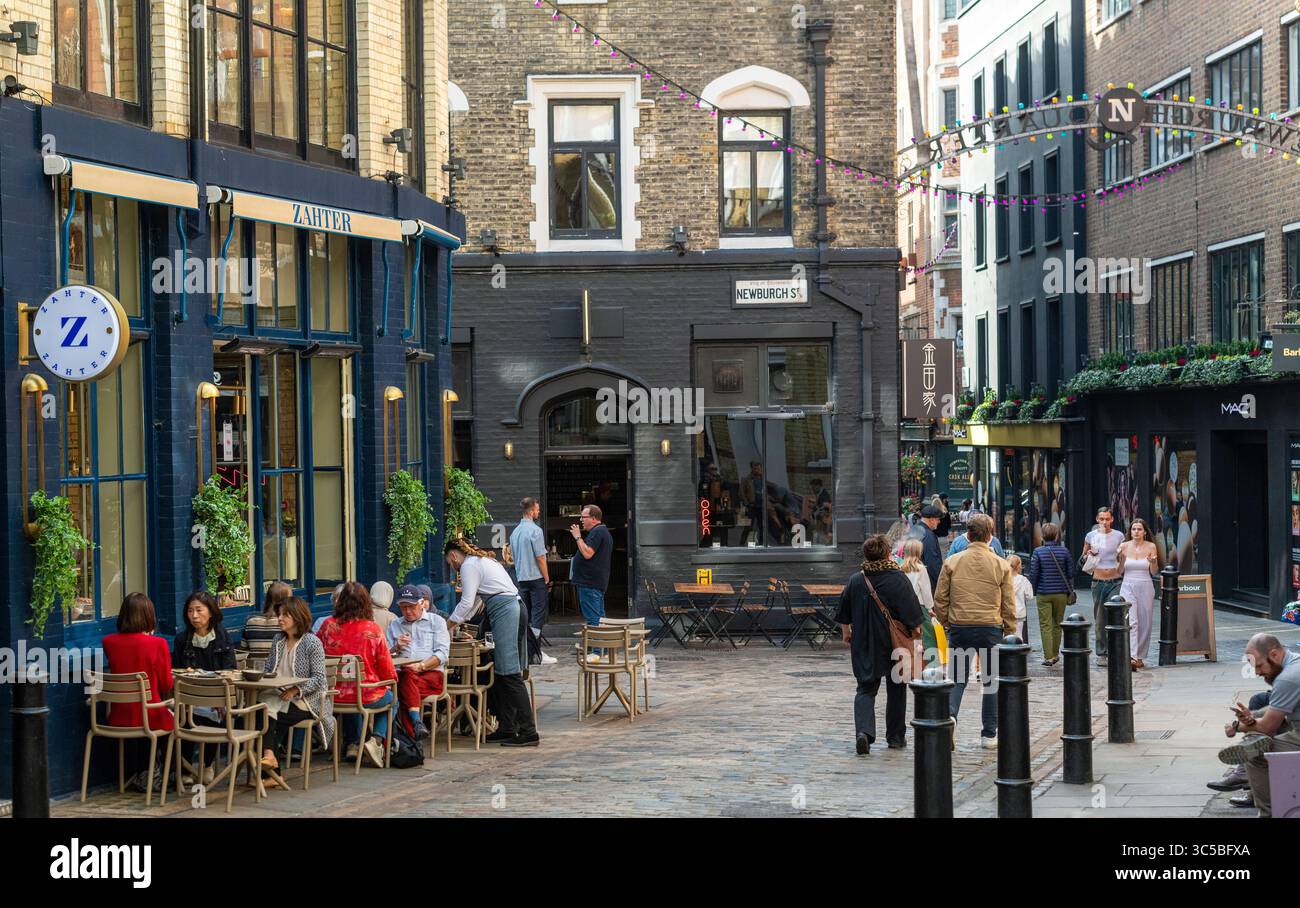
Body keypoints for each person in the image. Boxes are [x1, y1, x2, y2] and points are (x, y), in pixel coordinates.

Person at [445, 538, 539, 746]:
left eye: (449, 563)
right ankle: (507, 727)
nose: (451, 568)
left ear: (453, 556)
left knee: (509, 671)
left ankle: (528, 731)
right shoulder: (480, 562)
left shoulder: (469, 565)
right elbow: (476, 601)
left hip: (505, 610)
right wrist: (461, 620)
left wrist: (448, 625)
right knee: (500, 671)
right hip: (510, 607)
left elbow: (467, 601)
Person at [934, 514, 1016, 749]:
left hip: (961, 626)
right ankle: (989, 734)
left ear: (968, 534)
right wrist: (1009, 630)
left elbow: (941, 598)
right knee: (990, 681)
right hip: (991, 627)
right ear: (990, 535)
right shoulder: (1001, 564)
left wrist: (946, 621)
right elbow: (1008, 603)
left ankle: (951, 716)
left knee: (958, 679)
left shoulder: (953, 562)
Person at [836, 535, 924, 754]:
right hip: (895, 642)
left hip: (865, 641)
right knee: (896, 689)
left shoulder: (857, 580)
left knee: (865, 688)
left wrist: (847, 633)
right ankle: (895, 737)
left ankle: (864, 733)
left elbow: (843, 613)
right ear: (887, 553)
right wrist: (916, 631)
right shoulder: (898, 578)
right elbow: (913, 612)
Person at [317, 582, 398, 768]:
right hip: (366, 694)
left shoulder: (327, 626)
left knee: (350, 690)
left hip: (332, 695)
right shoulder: (372, 629)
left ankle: (353, 743)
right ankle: (376, 741)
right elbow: (387, 671)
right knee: (392, 699)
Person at [1218, 634, 1300, 817]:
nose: (1257, 673)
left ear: (1275, 654)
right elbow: (1277, 706)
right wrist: (1252, 717)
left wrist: (1237, 727)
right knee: (1257, 737)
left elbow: (1268, 726)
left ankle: (1270, 813)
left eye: (1260, 666)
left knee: (1253, 753)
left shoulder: (1288, 677)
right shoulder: (1295, 663)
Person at [101, 593, 174, 791]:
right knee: (176, 719)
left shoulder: (108, 642)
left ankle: (142, 773)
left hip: (118, 715)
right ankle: (158, 774)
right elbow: (167, 684)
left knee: (149, 716)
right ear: (149, 616)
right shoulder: (158, 644)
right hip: (150, 714)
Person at [259, 596, 333, 772]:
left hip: (307, 703)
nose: (280, 618)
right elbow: (269, 669)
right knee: (259, 715)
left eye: (285, 615)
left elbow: (319, 678)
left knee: (260, 717)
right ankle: (270, 766)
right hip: (279, 698)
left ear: (298, 616)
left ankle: (269, 768)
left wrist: (295, 690)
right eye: (279, 614)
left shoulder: (312, 642)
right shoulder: (278, 640)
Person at [171, 591, 236, 784]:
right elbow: (175, 671)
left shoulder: (223, 636)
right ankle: (185, 768)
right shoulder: (182, 639)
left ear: (211, 612)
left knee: (215, 714)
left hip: (216, 698)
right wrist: (186, 672)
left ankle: (207, 764)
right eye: (190, 611)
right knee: (184, 714)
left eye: (199, 610)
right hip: (189, 698)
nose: (194, 616)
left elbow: (231, 670)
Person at [386, 583, 450, 740]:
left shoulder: (437, 622)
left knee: (399, 689)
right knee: (405, 678)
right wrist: (395, 647)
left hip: (432, 675)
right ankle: (417, 727)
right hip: (405, 675)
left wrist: (422, 666)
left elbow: (442, 654)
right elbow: (384, 656)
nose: (407, 611)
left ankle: (408, 735)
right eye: (403, 607)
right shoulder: (395, 625)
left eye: (411, 606)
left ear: (421, 603)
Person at [511, 497, 557, 665]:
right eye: (537, 509)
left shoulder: (515, 532)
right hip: (536, 579)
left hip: (521, 579)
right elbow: (541, 558)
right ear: (531, 511)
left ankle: (527, 653)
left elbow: (514, 558)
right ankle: (535, 654)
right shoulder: (535, 531)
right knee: (537, 618)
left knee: (526, 616)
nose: (539, 512)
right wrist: (546, 578)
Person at [1027, 522, 1072, 666]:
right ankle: (1056, 652)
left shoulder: (1038, 552)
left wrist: (1033, 590)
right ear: (1057, 535)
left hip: (1044, 592)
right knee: (1058, 624)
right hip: (1061, 593)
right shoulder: (1064, 551)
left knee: (1045, 625)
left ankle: (1049, 656)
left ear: (1042, 536)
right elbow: (1071, 572)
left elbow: (1034, 574)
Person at [1117, 517, 1160, 670]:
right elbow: (1120, 571)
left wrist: (1153, 562)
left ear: (1144, 532)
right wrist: (1121, 558)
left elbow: (1154, 571)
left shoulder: (1151, 546)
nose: (1136, 532)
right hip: (1127, 585)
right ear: (1130, 531)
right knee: (1132, 622)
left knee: (1145, 622)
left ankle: (1140, 656)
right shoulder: (1123, 546)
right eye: (1133, 529)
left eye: (1139, 529)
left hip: (1146, 585)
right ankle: (1133, 656)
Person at [1082, 507, 1122, 664]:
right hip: (1098, 581)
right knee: (1100, 618)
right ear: (1097, 520)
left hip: (1115, 580)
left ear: (1112, 519)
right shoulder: (1091, 536)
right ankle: (1102, 653)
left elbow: (1122, 556)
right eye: (1102, 519)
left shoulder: (1119, 536)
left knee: (1117, 616)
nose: (1104, 522)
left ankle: (1117, 649)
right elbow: (1083, 558)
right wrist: (1089, 554)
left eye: (1107, 519)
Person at [569, 504, 613, 626]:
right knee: (600, 618)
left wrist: (578, 537)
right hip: (594, 583)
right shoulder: (601, 531)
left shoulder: (598, 531)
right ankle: (603, 644)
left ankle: (597, 645)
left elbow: (588, 553)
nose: (581, 520)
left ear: (593, 518)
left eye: (584, 517)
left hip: (590, 584)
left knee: (593, 619)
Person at [900, 538, 939, 671]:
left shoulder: (900, 569)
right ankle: (931, 666)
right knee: (929, 637)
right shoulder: (921, 569)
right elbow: (926, 591)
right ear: (919, 552)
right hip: (920, 607)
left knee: (910, 636)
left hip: (905, 608)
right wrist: (930, 608)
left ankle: (914, 665)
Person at [242, 580, 292, 655]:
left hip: (255, 666)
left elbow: (244, 650)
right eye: (291, 599)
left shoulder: (251, 622)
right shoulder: (287, 624)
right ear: (285, 602)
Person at [909, 504, 944, 594]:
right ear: (931, 519)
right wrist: (941, 583)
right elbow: (932, 563)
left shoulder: (915, 530)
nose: (939, 522)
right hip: (927, 582)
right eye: (937, 519)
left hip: (914, 577)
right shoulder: (928, 535)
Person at [1007, 555, 1033, 645]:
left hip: (1006, 611)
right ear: (1019, 566)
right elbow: (1030, 596)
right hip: (1019, 612)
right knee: (1019, 635)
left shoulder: (1004, 579)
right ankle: (1019, 656)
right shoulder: (1023, 580)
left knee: (1006, 635)